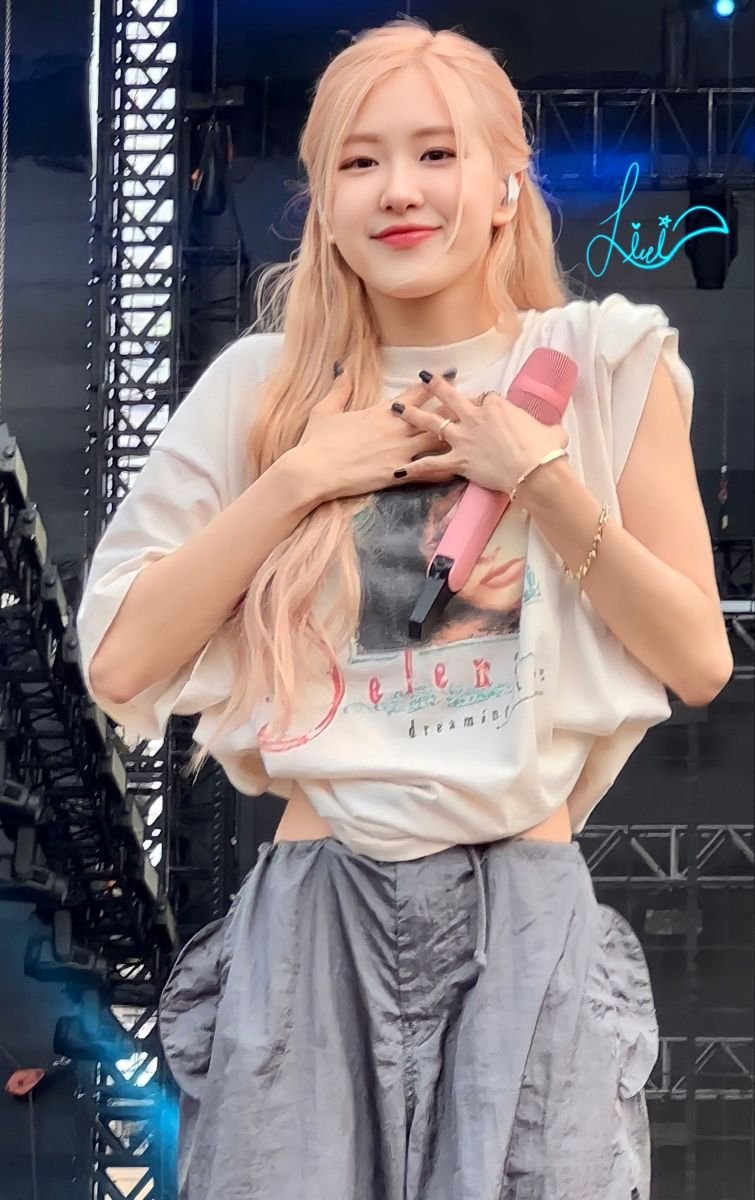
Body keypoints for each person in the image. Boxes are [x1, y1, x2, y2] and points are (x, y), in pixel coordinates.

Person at [76, 17, 733, 1200]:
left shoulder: (601, 360)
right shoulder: (260, 390)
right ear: (323, 202)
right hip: (315, 902)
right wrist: (297, 478)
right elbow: (120, 663)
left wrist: (535, 475)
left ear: (503, 181)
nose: (398, 190)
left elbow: (696, 657)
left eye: (434, 153)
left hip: (522, 906)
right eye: (359, 161)